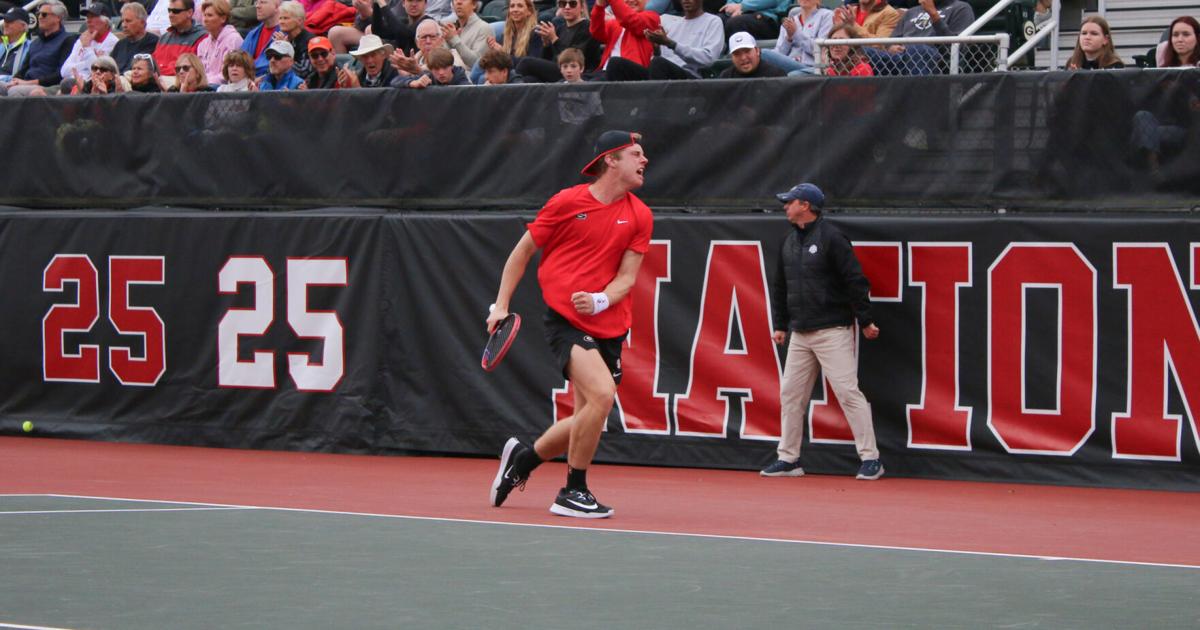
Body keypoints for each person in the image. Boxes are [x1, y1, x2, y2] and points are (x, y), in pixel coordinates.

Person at [489, 130, 653, 519]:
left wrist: (600, 300)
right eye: (636, 154)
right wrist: (501, 306)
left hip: (610, 325)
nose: (644, 160)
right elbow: (522, 253)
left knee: (587, 416)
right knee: (602, 396)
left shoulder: (640, 215)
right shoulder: (566, 202)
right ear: (611, 159)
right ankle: (573, 491)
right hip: (566, 320)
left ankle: (522, 461)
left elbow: (627, 278)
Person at [761, 183, 883, 481]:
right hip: (800, 333)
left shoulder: (832, 238)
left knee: (847, 392)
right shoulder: (788, 241)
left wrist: (865, 320)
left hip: (832, 330)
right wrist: (780, 324)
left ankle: (871, 458)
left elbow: (855, 280)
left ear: (805, 205)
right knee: (790, 394)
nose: (785, 206)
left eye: (789, 202)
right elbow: (780, 286)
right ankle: (788, 458)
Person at [609, 0, 722, 81]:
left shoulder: (713, 21)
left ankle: (652, 106)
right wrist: (656, 49)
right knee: (616, 64)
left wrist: (671, 44)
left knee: (659, 64)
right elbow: (659, 58)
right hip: (662, 74)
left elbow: (708, 58)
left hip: (690, 79)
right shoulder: (671, 22)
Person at [863, 0, 974, 76]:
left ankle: (919, 100)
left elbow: (956, 48)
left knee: (917, 48)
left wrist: (933, 14)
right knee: (862, 50)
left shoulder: (961, 8)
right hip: (900, 57)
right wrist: (891, 47)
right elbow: (893, 39)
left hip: (936, 60)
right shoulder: (911, 12)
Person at [513, 0, 600, 83]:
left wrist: (554, 39)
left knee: (526, 62)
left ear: (582, 7)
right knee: (529, 80)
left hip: (575, 71)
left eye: (572, 3)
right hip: (557, 69)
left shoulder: (587, 27)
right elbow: (546, 59)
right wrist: (546, 44)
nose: (567, 7)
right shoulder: (560, 27)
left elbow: (572, 58)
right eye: (563, 3)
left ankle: (509, 89)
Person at [3, 0, 72, 97]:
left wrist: (29, 83)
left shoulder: (68, 40)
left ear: (58, 18)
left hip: (48, 87)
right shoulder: (35, 43)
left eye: (44, 14)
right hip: (26, 83)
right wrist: (15, 80)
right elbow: (23, 70)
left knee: (14, 91)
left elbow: (61, 74)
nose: (39, 17)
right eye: (38, 14)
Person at [58, 2, 119, 93]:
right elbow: (64, 71)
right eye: (87, 17)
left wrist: (87, 47)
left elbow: (98, 72)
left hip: (93, 86)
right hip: (72, 83)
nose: (88, 20)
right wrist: (87, 63)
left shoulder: (112, 42)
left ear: (105, 22)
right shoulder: (82, 40)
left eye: (93, 17)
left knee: (65, 85)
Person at [761, 0, 832, 75]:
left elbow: (821, 51)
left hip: (812, 68)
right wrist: (789, 38)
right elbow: (779, 53)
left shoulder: (827, 16)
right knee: (761, 55)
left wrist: (796, 34)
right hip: (790, 64)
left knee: (764, 53)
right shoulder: (790, 21)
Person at [591, 0, 660, 75]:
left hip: (634, 73)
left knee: (614, 62)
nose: (631, 0)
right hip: (605, 72)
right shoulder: (614, 23)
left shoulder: (653, 17)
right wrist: (599, 6)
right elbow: (597, 33)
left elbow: (630, 20)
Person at [197, 0, 244, 85]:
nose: (205, 19)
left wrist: (203, 82)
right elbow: (199, 72)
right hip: (204, 87)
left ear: (223, 18)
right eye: (204, 15)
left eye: (210, 15)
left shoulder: (233, 40)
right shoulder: (202, 44)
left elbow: (226, 75)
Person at [111, 3, 159, 73]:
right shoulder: (120, 44)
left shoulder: (153, 42)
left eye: (128, 21)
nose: (124, 25)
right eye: (122, 21)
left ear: (142, 23)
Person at [441, 0, 489, 68]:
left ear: (474, 4)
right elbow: (442, 61)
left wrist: (454, 39)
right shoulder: (452, 28)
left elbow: (477, 64)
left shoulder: (484, 28)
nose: (458, 2)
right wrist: (447, 42)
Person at [719, 30, 786, 77]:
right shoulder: (725, 77)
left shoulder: (776, 75)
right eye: (737, 54)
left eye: (747, 51)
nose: (743, 57)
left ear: (757, 51)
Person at [242, 0, 282, 77]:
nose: (257, 6)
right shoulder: (252, 34)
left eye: (263, 2)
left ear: (276, 7)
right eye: (257, 2)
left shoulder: (284, 34)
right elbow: (239, 61)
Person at [833, 0, 899, 47]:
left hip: (870, 60)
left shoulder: (889, 13)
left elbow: (881, 44)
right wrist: (838, 28)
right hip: (847, 58)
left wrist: (853, 25)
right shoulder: (849, 11)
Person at [276, 1, 314, 78]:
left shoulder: (309, 40)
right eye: (280, 18)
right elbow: (273, 67)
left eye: (286, 18)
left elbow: (303, 70)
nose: (281, 22)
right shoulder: (283, 39)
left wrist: (285, 50)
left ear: (299, 21)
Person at [396, 45, 468, 85]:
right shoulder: (429, 77)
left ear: (452, 66)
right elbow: (395, 81)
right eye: (436, 69)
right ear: (430, 69)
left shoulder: (462, 82)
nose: (441, 72)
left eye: (445, 68)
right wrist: (412, 83)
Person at [717, 0, 788, 40]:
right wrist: (731, 8)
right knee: (718, 20)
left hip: (767, 17)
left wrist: (742, 6)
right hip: (742, 13)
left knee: (736, 22)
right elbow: (732, 1)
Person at [0, 7, 32, 89]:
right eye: (5, 21)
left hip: (11, 86)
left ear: (23, 26)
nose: (5, 24)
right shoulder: (1, 45)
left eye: (10, 21)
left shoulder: (31, 47)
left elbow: (23, 76)